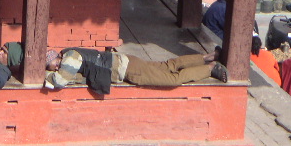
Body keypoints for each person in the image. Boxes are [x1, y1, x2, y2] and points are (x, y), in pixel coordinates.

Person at [44, 47, 227, 95]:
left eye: (55, 65)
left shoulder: (70, 58)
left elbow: (59, 81)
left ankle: (210, 68)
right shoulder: (71, 53)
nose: (58, 68)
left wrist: (47, 76)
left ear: (57, 58)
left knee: (173, 79)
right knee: (168, 65)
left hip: (129, 71)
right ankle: (209, 56)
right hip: (129, 61)